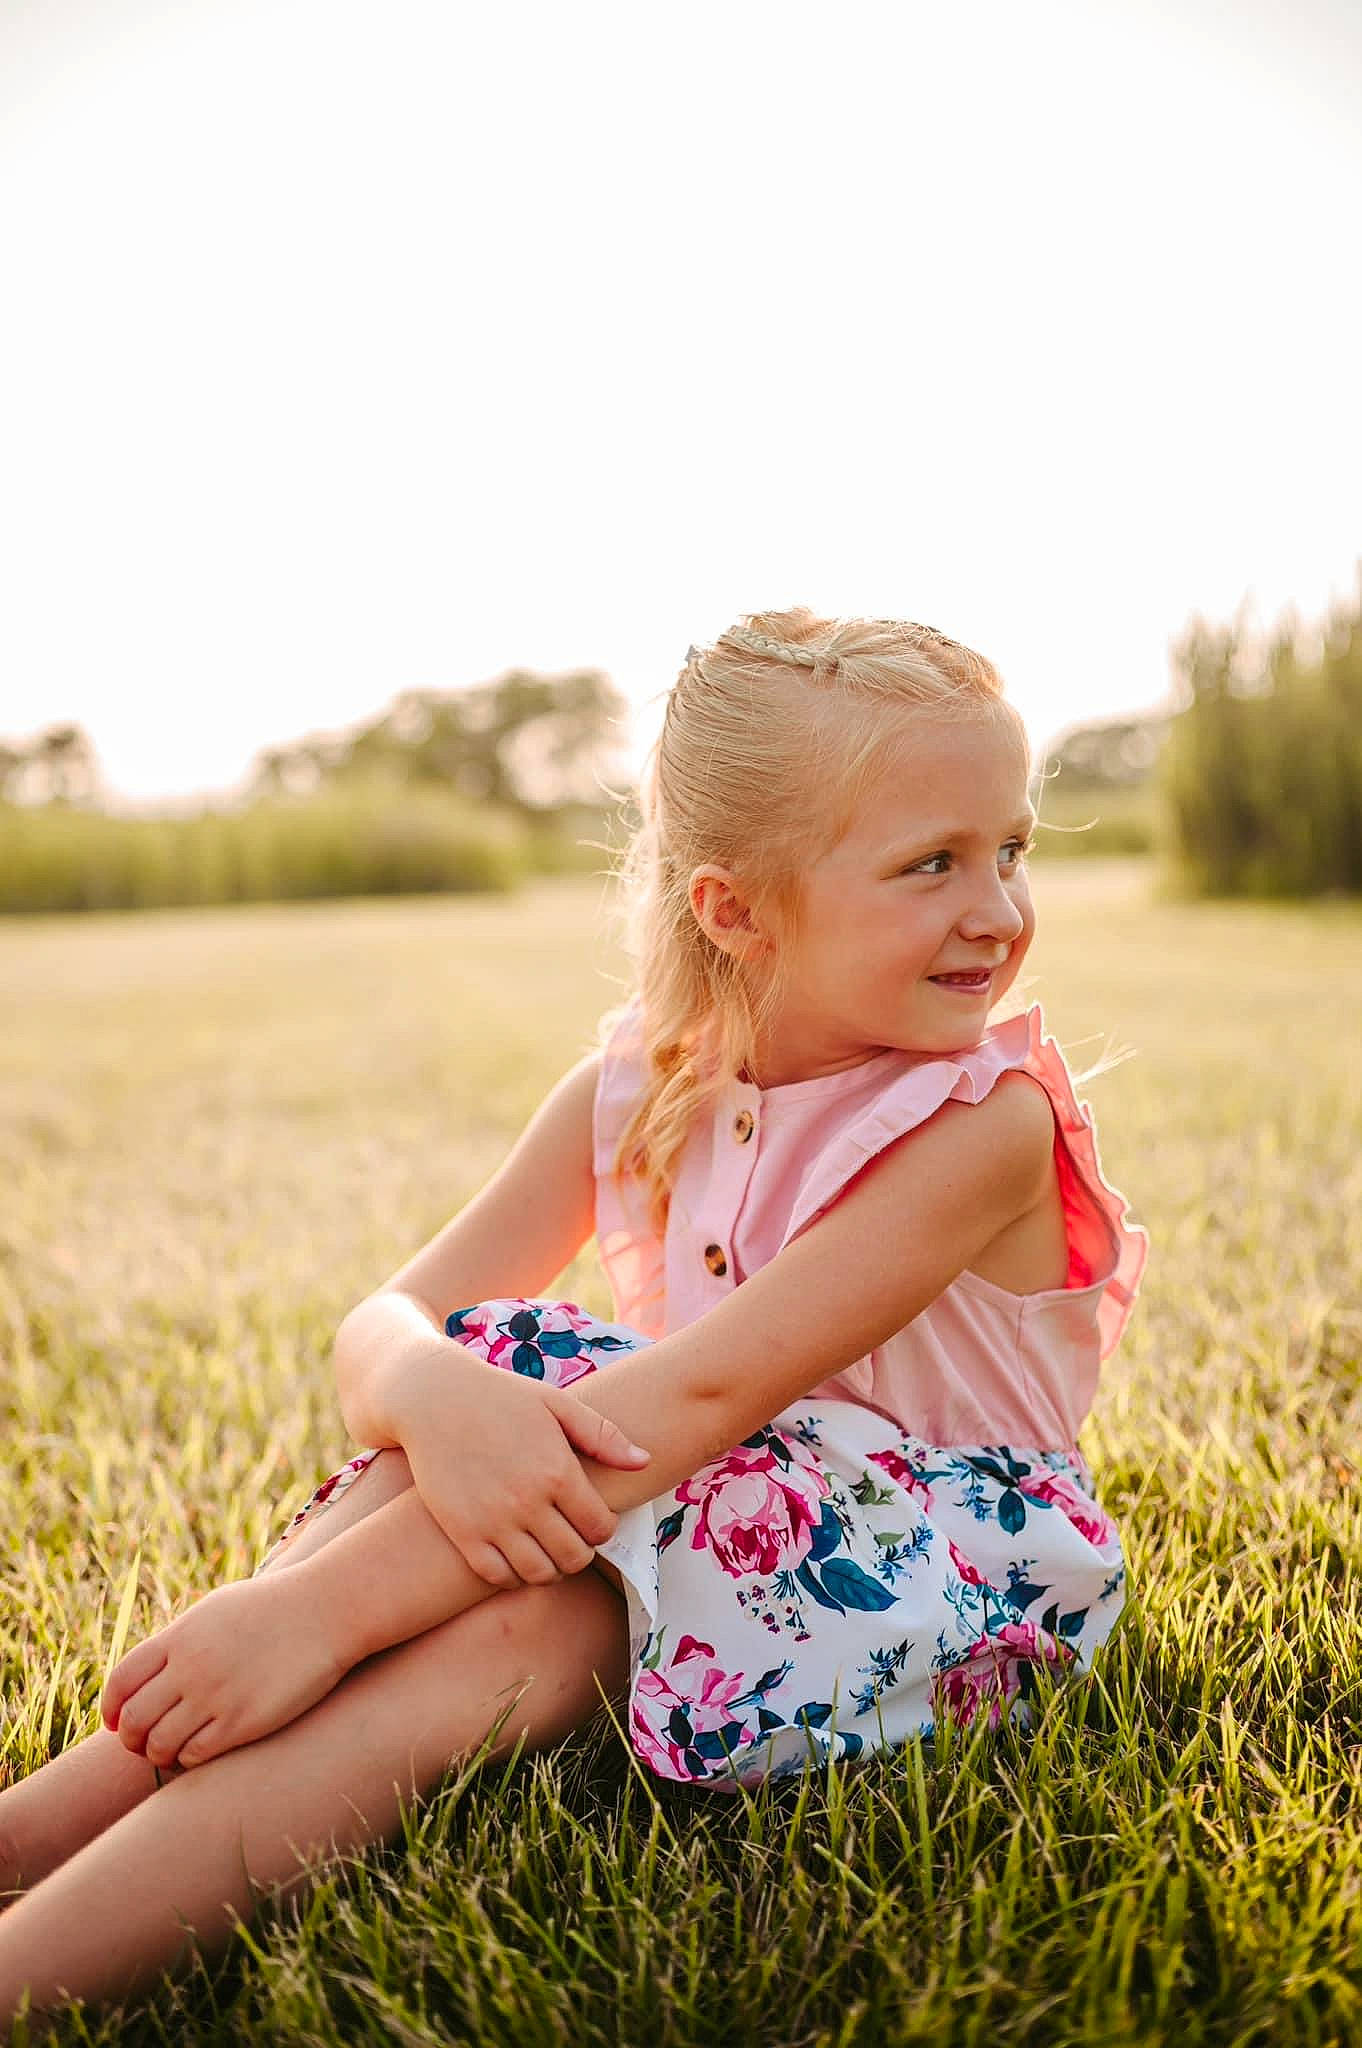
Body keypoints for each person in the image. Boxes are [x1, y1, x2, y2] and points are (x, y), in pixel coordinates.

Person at [0, 608, 1147, 2028]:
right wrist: (430, 1394)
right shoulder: (636, 1086)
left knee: (529, 1526)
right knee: (495, 1428)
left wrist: (308, 1612)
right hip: (677, 1507)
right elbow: (389, 1319)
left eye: (1009, 850)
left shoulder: (985, 1127)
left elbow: (694, 1407)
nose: (996, 908)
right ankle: (33, 1844)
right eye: (932, 864)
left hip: (939, 1569)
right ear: (734, 908)